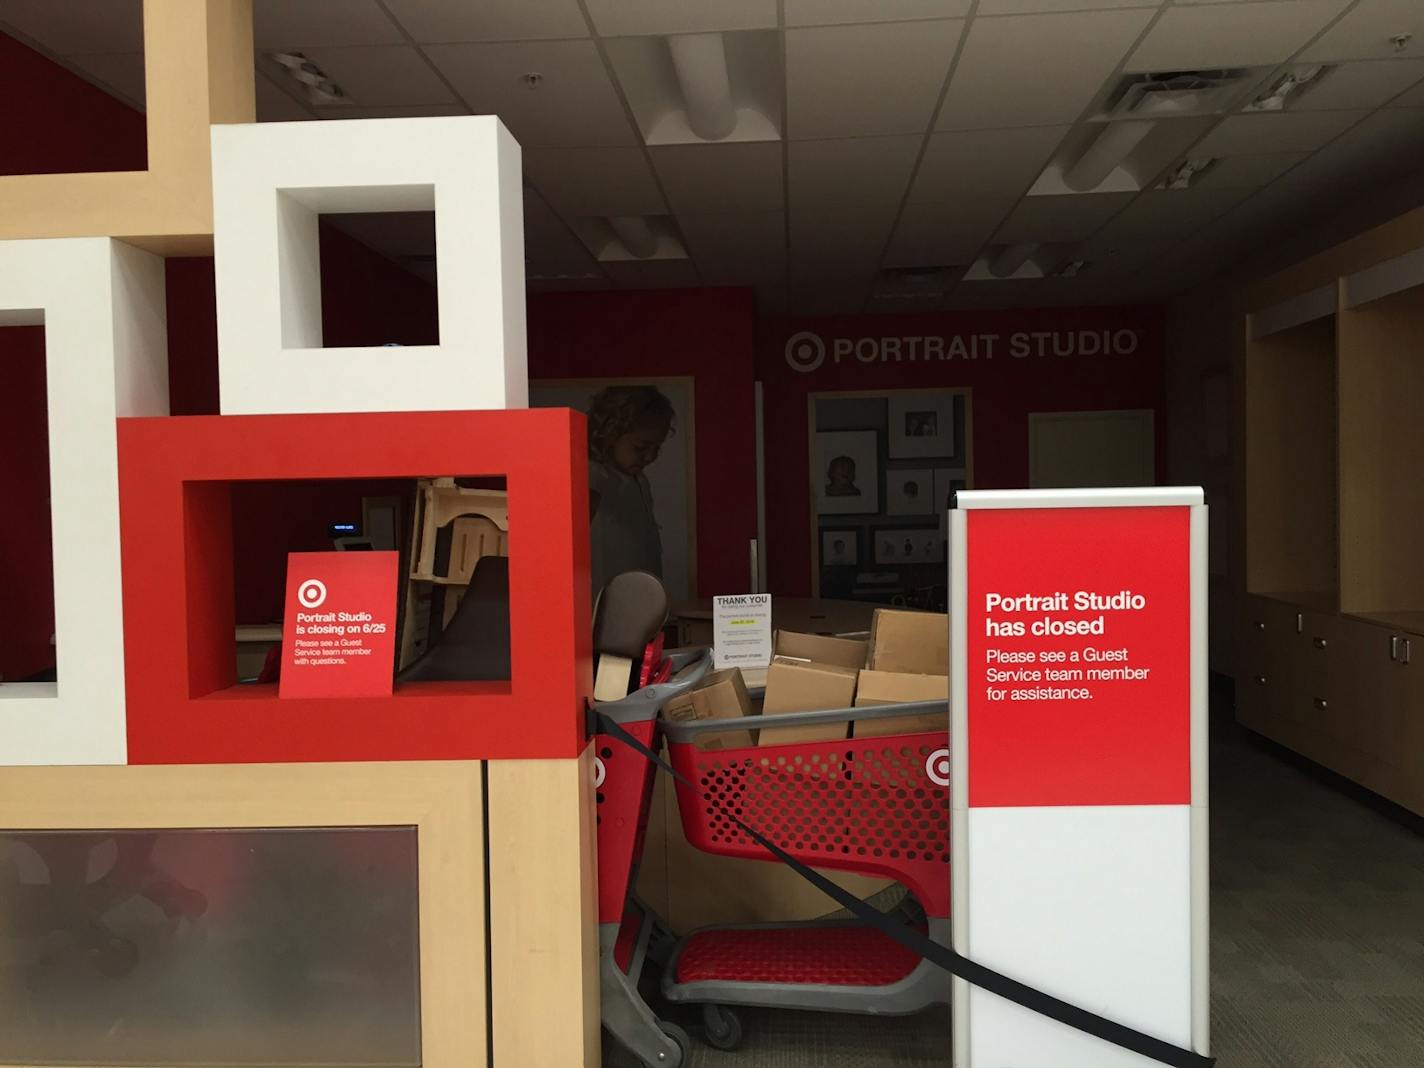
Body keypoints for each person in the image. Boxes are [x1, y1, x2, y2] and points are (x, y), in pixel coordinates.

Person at [587, 385, 674, 597]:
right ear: (610, 434)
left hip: (640, 599)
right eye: (641, 447)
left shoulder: (639, 481)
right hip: (603, 602)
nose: (650, 457)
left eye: (656, 448)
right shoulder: (593, 476)